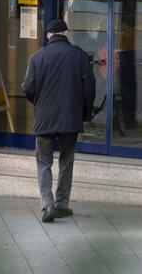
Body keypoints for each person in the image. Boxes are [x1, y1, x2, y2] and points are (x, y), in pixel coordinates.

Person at [22, 19, 97, 223]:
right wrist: (85, 112)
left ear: (49, 35)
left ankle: (48, 205)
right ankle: (62, 204)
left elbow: (28, 87)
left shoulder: (37, 57)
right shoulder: (79, 55)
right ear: (65, 33)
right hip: (70, 117)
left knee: (43, 162)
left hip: (44, 118)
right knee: (66, 160)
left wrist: (38, 103)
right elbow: (89, 87)